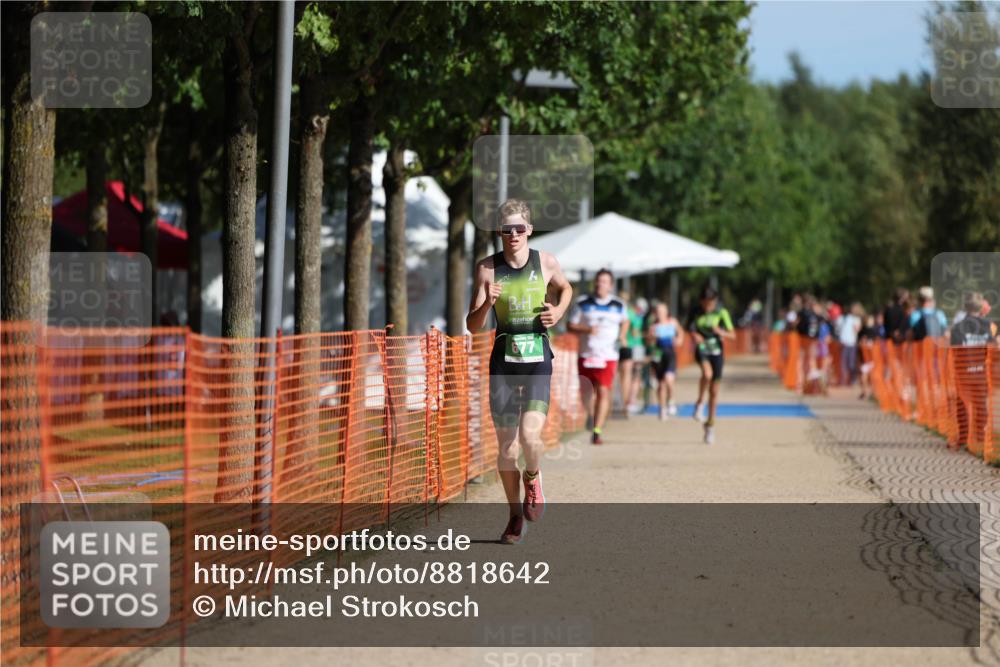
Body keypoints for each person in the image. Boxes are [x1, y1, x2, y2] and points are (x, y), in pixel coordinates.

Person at [466, 199, 573, 545]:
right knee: (507, 450)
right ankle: (514, 516)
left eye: (519, 229)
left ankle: (534, 478)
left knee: (530, 437)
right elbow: (472, 325)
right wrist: (487, 303)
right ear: (499, 232)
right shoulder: (487, 269)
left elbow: (566, 288)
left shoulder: (547, 262)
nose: (512, 235)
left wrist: (558, 311)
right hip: (503, 362)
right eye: (506, 229)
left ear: (529, 230)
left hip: (537, 357)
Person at [567, 268, 629, 445]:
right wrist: (587, 330)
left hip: (608, 355)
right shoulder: (582, 303)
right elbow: (571, 325)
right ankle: (591, 415)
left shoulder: (619, 305)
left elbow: (626, 321)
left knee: (603, 390)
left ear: (610, 285)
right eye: (598, 281)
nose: (599, 284)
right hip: (586, 354)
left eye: (604, 282)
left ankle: (597, 430)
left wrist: (623, 335)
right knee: (586, 391)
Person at [948, 293, 999, 450]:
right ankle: (980, 437)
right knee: (981, 405)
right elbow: (993, 347)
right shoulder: (988, 325)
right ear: (981, 307)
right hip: (982, 372)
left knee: (963, 404)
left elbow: (954, 350)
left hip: (964, 372)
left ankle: (963, 438)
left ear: (965, 307)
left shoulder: (957, 327)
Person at [687, 286, 735, 444]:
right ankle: (700, 402)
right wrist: (695, 335)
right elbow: (689, 329)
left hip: (716, 352)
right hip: (702, 349)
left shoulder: (722, 312)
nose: (708, 307)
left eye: (711, 303)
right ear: (701, 302)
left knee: (714, 391)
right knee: (706, 374)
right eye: (706, 303)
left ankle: (710, 425)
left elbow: (733, 335)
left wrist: (721, 332)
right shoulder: (695, 311)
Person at [646, 301, 684, 421]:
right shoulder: (653, 326)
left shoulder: (672, 322)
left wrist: (679, 340)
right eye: (658, 311)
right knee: (661, 384)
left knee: (669, 379)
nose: (660, 314)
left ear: (667, 312)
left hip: (670, 354)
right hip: (658, 355)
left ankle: (671, 401)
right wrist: (651, 337)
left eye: (662, 311)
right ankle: (662, 408)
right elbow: (649, 343)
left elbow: (681, 333)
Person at [616, 292, 646, 418]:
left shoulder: (619, 311)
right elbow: (635, 332)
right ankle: (628, 402)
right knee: (632, 375)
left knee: (626, 375)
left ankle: (627, 402)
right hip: (631, 346)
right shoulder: (632, 314)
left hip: (624, 346)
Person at [835, 302, 863, 386]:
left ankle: (853, 379)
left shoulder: (857, 319)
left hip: (851, 343)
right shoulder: (843, 318)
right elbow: (837, 327)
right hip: (844, 342)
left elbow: (857, 330)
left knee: (851, 363)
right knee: (843, 362)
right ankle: (843, 379)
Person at [857, 313, 879, 399]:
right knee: (870, 373)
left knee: (864, 373)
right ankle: (872, 391)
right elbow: (876, 342)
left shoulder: (861, 331)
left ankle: (865, 391)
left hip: (863, 354)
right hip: (870, 354)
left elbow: (858, 343)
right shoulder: (873, 331)